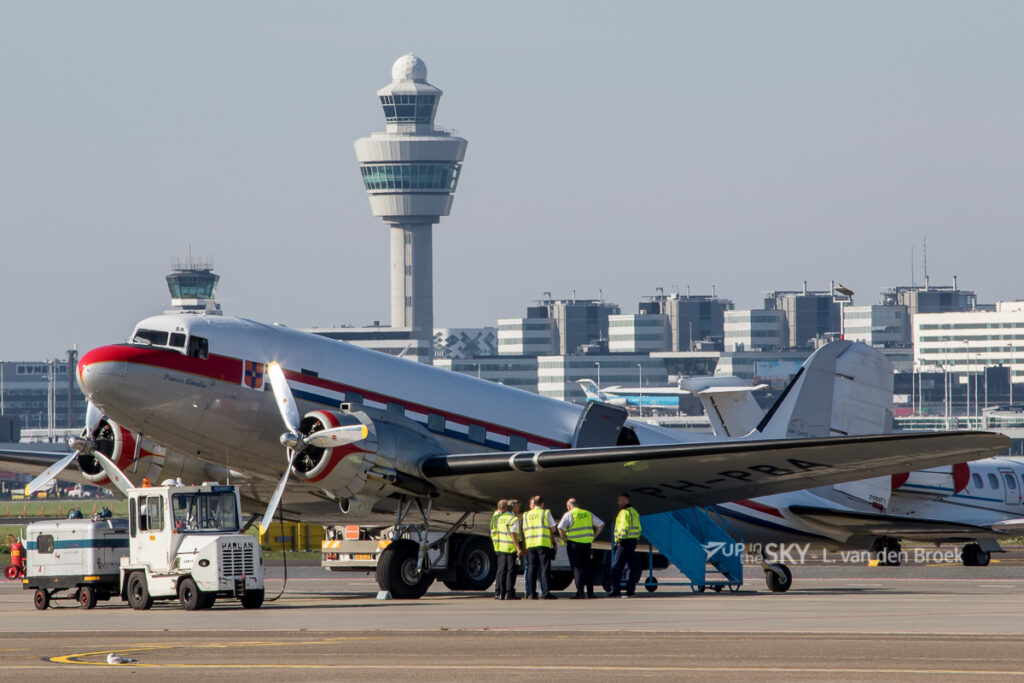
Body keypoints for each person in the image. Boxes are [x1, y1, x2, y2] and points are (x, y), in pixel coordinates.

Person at [557, 498, 604, 599]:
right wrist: (594, 536)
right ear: (577, 505)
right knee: (587, 568)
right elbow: (601, 524)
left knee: (577, 568)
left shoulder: (569, 514)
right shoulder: (587, 513)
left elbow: (560, 528)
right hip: (586, 544)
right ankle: (591, 593)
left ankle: (580, 592)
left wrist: (564, 539)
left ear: (569, 507)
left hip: (573, 545)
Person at [522, 495, 558, 600]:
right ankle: (546, 593)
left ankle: (532, 594)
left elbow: (524, 530)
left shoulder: (526, 514)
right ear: (542, 504)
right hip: (543, 543)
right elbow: (553, 529)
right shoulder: (545, 513)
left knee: (532, 569)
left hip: (531, 544)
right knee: (545, 568)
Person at [609, 492, 642, 598]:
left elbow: (623, 527)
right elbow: (638, 528)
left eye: (619, 500)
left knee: (616, 567)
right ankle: (631, 591)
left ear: (625, 500)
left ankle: (616, 591)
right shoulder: (634, 512)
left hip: (624, 542)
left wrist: (618, 541)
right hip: (633, 541)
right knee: (630, 567)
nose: (617, 502)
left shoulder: (624, 512)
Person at [491, 500, 520, 600]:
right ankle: (509, 592)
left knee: (502, 570)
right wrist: (518, 548)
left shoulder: (498, 518)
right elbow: (513, 534)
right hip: (510, 547)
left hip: (500, 546)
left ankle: (500, 592)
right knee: (510, 571)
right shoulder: (512, 519)